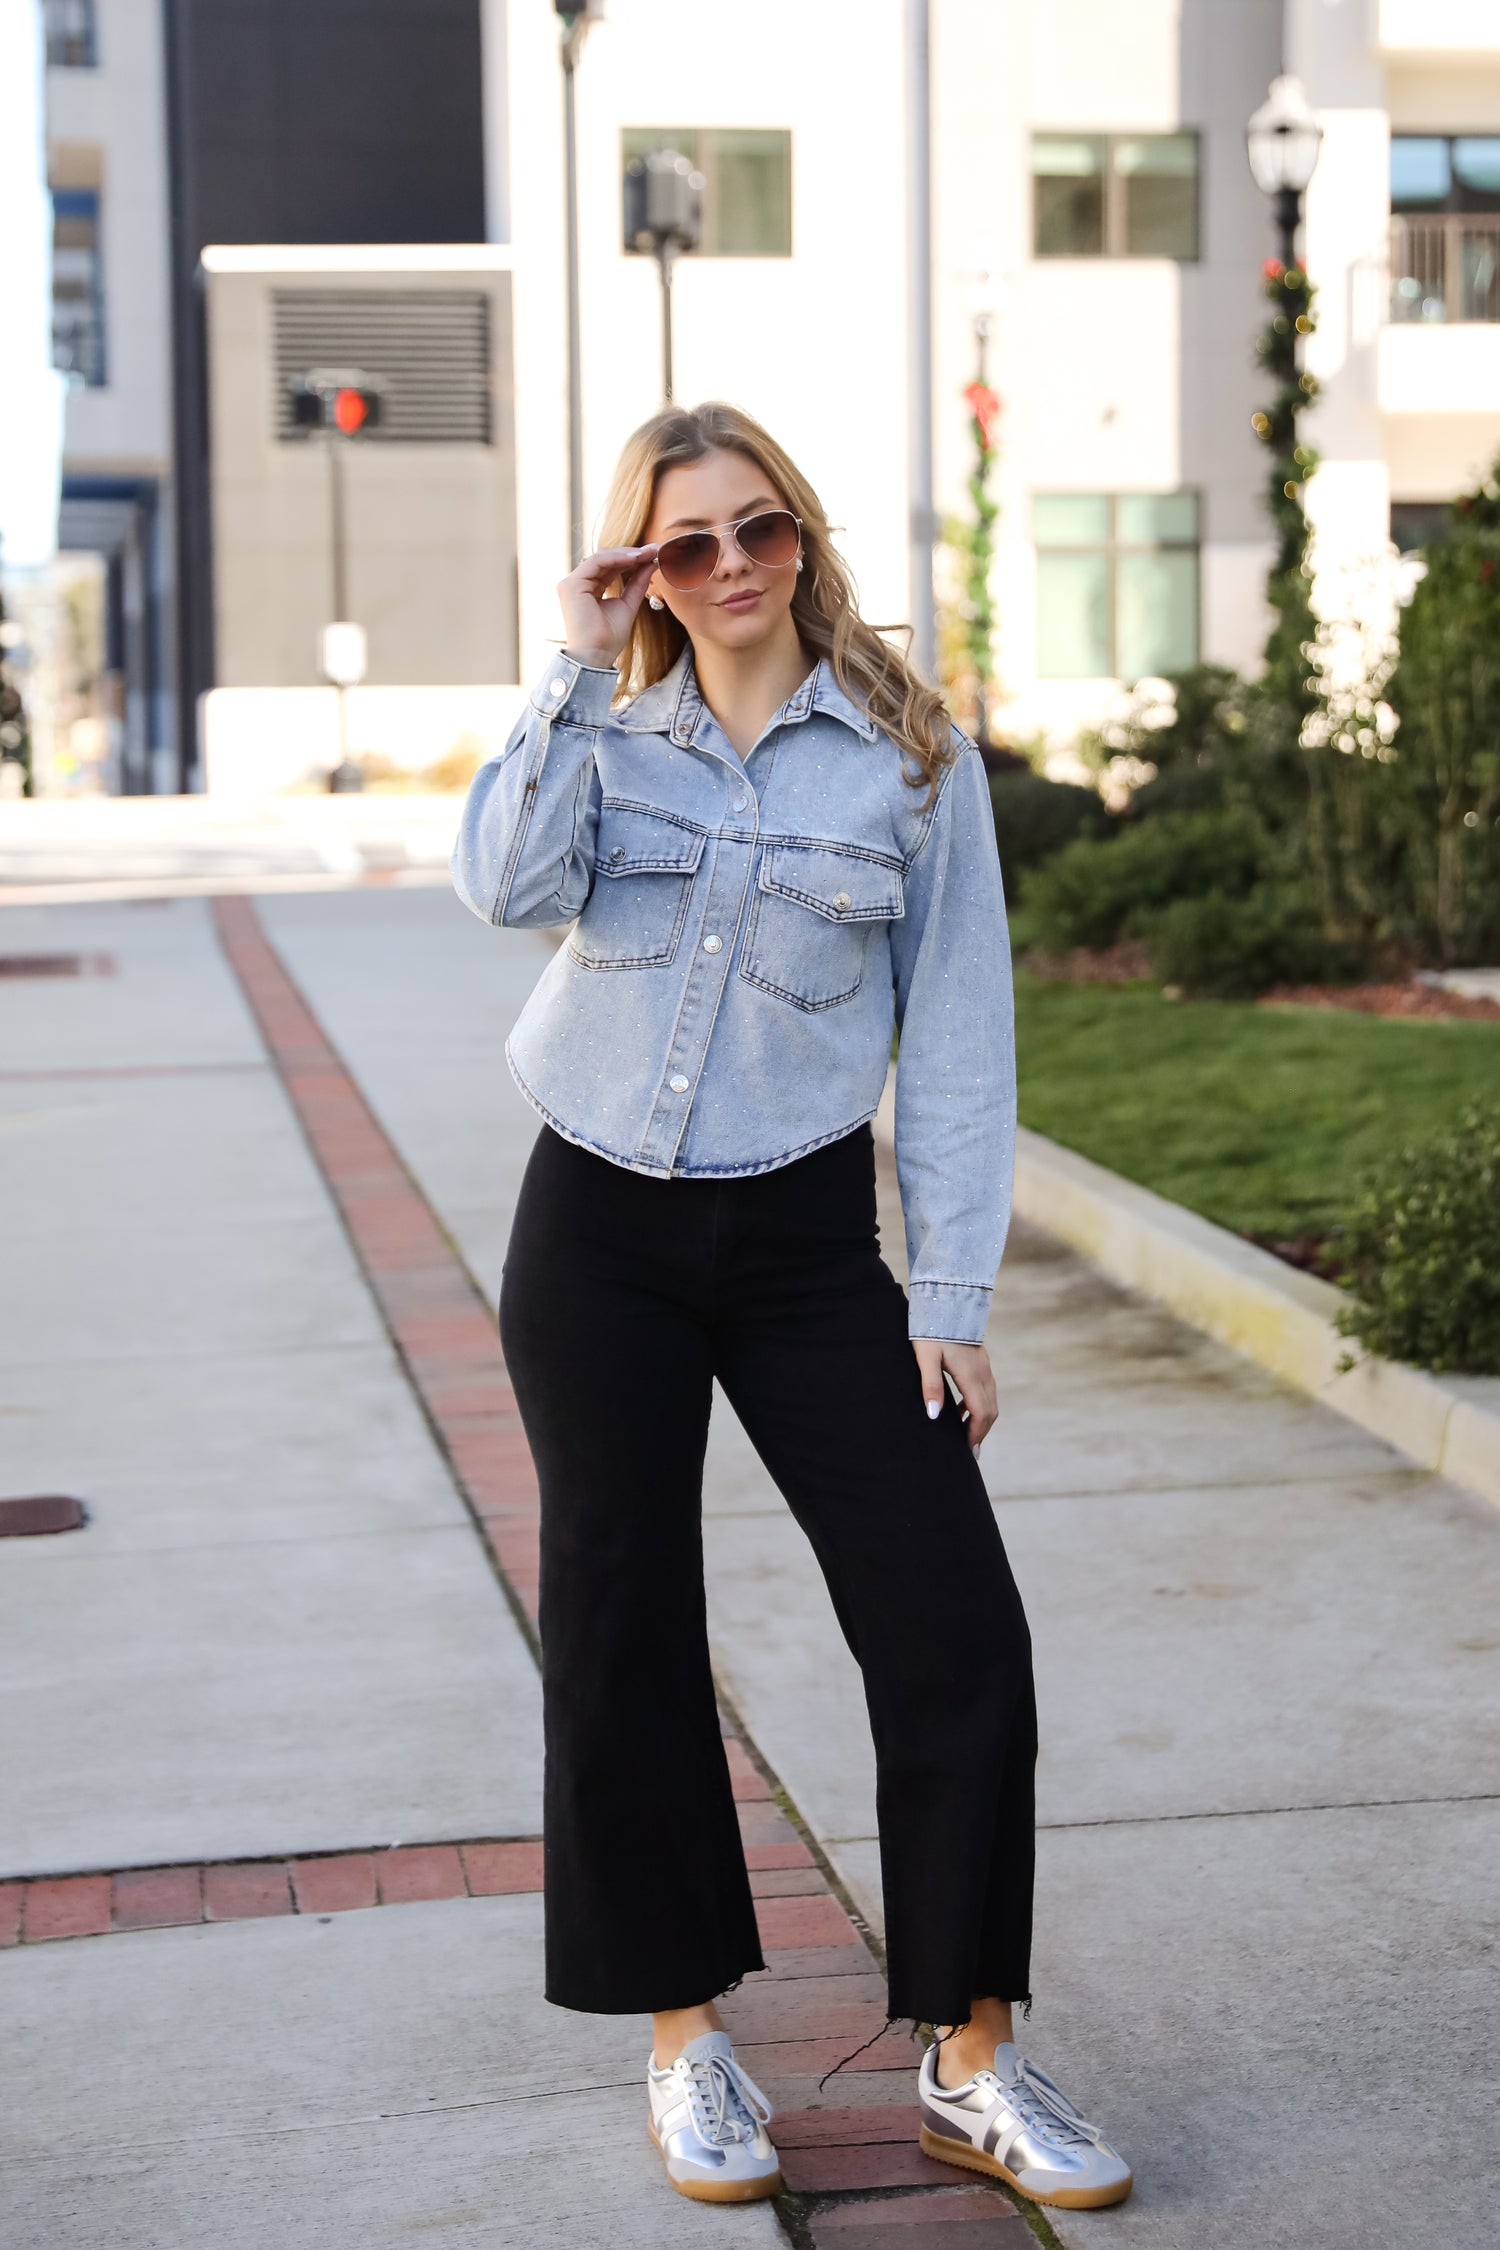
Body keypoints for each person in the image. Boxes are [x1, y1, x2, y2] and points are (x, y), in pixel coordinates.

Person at [452, 402, 1131, 2213]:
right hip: (595, 1224)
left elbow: (965, 1040)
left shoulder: (911, 759)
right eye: (688, 545)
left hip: (813, 1239)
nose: (734, 566)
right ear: (642, 570)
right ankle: (685, 2042)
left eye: (760, 529)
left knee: (955, 1621)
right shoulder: (609, 727)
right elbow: (500, 885)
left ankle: (970, 2060)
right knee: (622, 1620)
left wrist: (958, 1289)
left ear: (803, 536)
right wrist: (572, 669)